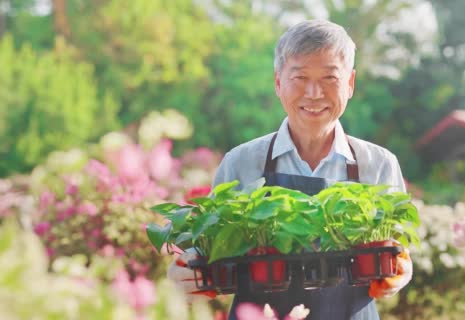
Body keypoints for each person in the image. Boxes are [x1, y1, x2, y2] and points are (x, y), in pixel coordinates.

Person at [168, 19, 412, 320]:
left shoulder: (378, 164)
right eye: (300, 77)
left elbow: (397, 253)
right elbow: (209, 250)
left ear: (350, 83)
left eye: (329, 78)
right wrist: (186, 268)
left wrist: (401, 271)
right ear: (278, 82)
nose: (313, 93)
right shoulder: (241, 162)